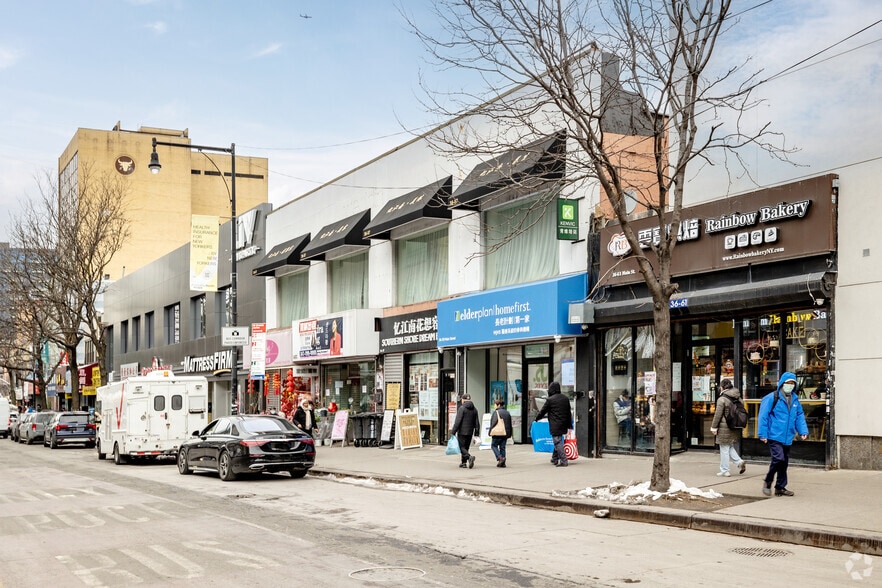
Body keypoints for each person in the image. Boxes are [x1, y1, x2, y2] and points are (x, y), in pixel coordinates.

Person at [758, 371, 809, 497]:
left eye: (792, 383)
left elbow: (799, 416)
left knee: (784, 462)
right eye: (788, 383)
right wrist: (763, 434)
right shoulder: (771, 398)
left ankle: (780, 487)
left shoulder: (795, 399)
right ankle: (768, 480)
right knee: (778, 459)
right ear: (782, 383)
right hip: (774, 435)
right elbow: (763, 416)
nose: (790, 385)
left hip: (787, 436)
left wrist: (803, 431)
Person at [710, 379, 747, 477]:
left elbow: (718, 415)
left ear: (722, 387)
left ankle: (725, 470)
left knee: (724, 448)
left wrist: (714, 427)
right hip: (735, 425)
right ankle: (739, 462)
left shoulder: (722, 399)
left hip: (724, 427)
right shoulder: (738, 397)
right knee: (729, 446)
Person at [535, 381, 573, 467]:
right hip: (563, 424)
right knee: (558, 440)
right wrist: (569, 424)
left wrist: (537, 418)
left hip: (555, 424)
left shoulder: (550, 400)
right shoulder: (565, 398)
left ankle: (564, 460)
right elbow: (568, 412)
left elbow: (543, 411)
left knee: (557, 442)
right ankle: (554, 458)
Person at [450, 393, 480, 469]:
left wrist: (453, 432)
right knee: (466, 447)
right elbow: (477, 422)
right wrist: (476, 433)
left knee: (461, 447)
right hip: (470, 432)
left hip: (462, 431)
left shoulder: (462, 408)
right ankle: (463, 463)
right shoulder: (474, 409)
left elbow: (458, 421)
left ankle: (469, 457)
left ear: (463, 400)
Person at [488, 398, 513, 468]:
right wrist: (509, 434)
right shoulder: (507, 412)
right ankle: (503, 463)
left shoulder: (496, 412)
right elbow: (510, 424)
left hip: (497, 433)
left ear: (498, 405)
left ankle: (500, 458)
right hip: (505, 433)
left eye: (495, 405)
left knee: (494, 446)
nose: (494, 406)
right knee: (502, 447)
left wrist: (490, 432)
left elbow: (493, 423)